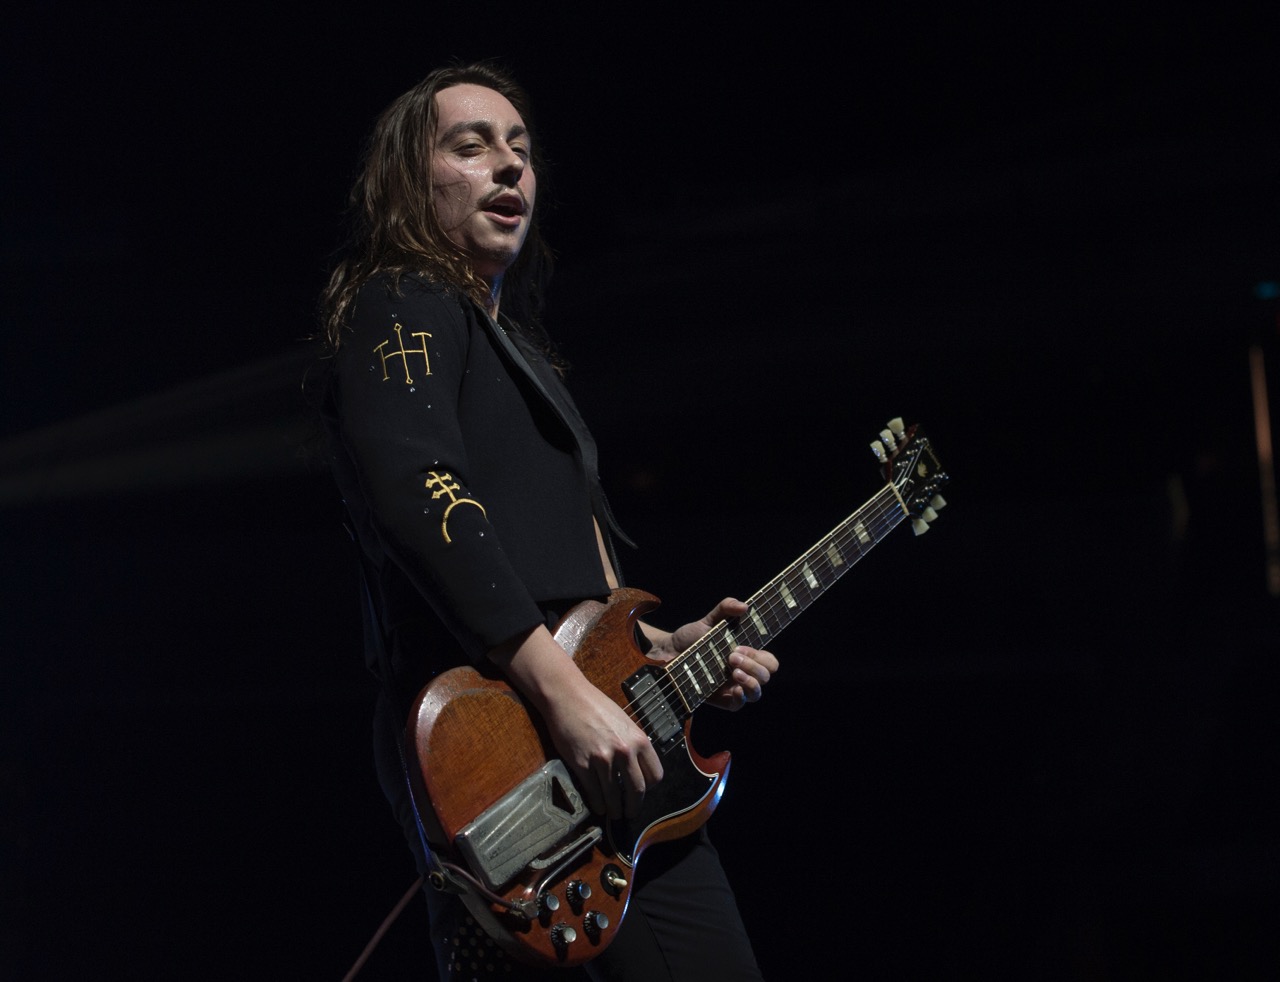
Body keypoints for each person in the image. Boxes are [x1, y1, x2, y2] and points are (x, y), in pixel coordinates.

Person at [317, 60, 778, 981]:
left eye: (521, 150)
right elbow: (419, 494)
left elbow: (565, 583)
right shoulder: (401, 301)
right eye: (471, 146)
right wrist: (564, 696)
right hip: (503, 739)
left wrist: (658, 646)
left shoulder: (514, 353)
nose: (508, 166)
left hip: (588, 745)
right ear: (411, 178)